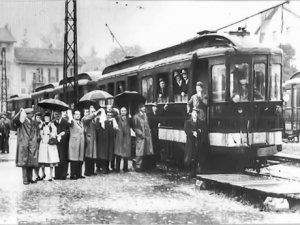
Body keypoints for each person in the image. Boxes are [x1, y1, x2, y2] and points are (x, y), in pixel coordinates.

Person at [13, 108, 39, 185]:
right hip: (24, 143)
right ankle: (25, 179)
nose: (32, 115)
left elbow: (37, 131)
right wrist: (19, 113)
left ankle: (30, 178)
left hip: (32, 143)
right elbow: (14, 121)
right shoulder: (21, 122)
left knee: (31, 162)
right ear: (26, 115)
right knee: (24, 162)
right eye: (30, 114)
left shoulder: (34, 122)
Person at [184, 108, 207, 178]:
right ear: (191, 114)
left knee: (197, 156)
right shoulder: (187, 122)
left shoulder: (201, 122)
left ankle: (195, 171)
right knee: (190, 157)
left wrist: (198, 132)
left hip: (198, 142)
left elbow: (204, 130)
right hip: (191, 142)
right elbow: (186, 131)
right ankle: (191, 171)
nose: (195, 114)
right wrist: (192, 133)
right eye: (193, 113)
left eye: (196, 113)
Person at [38, 112, 60, 181]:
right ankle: (43, 173)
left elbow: (55, 133)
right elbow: (40, 133)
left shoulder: (52, 125)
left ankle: (50, 175)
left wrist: (51, 134)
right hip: (43, 143)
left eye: (48, 117)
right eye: (45, 117)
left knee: (51, 159)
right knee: (42, 159)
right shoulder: (42, 125)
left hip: (50, 144)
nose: (46, 119)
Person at [132, 103, 154, 171]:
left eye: (144, 107)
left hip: (147, 136)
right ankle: (137, 165)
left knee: (146, 151)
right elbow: (134, 127)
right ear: (139, 109)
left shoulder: (145, 115)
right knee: (139, 151)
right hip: (140, 137)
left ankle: (143, 165)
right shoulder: (136, 117)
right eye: (142, 107)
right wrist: (140, 133)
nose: (144, 108)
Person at [82, 106, 102, 176]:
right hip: (88, 138)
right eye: (92, 112)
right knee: (88, 155)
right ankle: (87, 171)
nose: (93, 113)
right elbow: (87, 119)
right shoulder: (85, 118)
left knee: (93, 155)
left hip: (93, 139)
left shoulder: (94, 119)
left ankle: (92, 170)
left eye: (94, 111)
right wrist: (95, 114)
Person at [68, 109, 85, 180]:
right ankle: (73, 174)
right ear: (74, 115)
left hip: (80, 143)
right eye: (76, 114)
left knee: (80, 159)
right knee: (74, 159)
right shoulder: (72, 122)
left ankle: (79, 173)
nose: (78, 115)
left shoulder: (81, 123)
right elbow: (70, 121)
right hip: (74, 143)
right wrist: (69, 114)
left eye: (79, 114)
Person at [53, 110, 70, 180]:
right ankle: (57, 174)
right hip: (56, 143)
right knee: (57, 158)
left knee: (63, 158)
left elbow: (68, 131)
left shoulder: (65, 122)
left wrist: (64, 133)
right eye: (55, 115)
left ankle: (63, 174)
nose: (56, 116)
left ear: (60, 114)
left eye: (57, 114)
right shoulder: (53, 122)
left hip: (64, 143)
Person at [114, 107, 131, 172]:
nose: (123, 112)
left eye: (124, 111)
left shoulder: (129, 119)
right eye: (122, 111)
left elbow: (132, 125)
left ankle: (125, 168)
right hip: (119, 136)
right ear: (120, 112)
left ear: (126, 112)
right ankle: (117, 168)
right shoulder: (117, 118)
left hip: (126, 137)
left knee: (126, 152)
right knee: (118, 152)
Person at [148, 102, 161, 168]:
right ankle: (150, 162)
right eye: (154, 107)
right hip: (151, 130)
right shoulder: (149, 114)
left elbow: (159, 120)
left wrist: (159, 123)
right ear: (152, 107)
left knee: (155, 146)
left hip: (156, 131)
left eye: (156, 107)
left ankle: (154, 162)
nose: (155, 108)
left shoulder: (158, 114)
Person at [33, 112, 42, 181]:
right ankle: (36, 174)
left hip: (41, 144)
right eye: (37, 117)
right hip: (35, 144)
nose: (38, 119)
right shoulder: (33, 124)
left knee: (41, 160)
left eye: (39, 117)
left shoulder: (42, 124)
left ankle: (41, 174)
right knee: (36, 160)